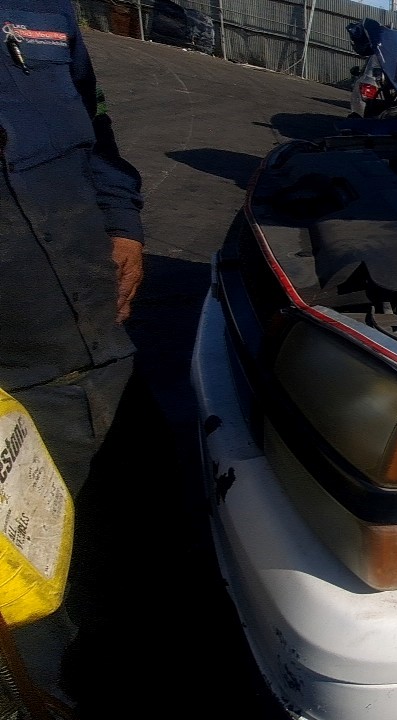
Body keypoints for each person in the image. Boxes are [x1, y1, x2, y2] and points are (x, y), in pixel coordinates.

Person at [0, 0, 144, 707]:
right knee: (35, 605)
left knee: (133, 544)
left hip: (106, 344)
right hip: (11, 393)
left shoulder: (43, 10)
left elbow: (97, 127)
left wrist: (123, 225)